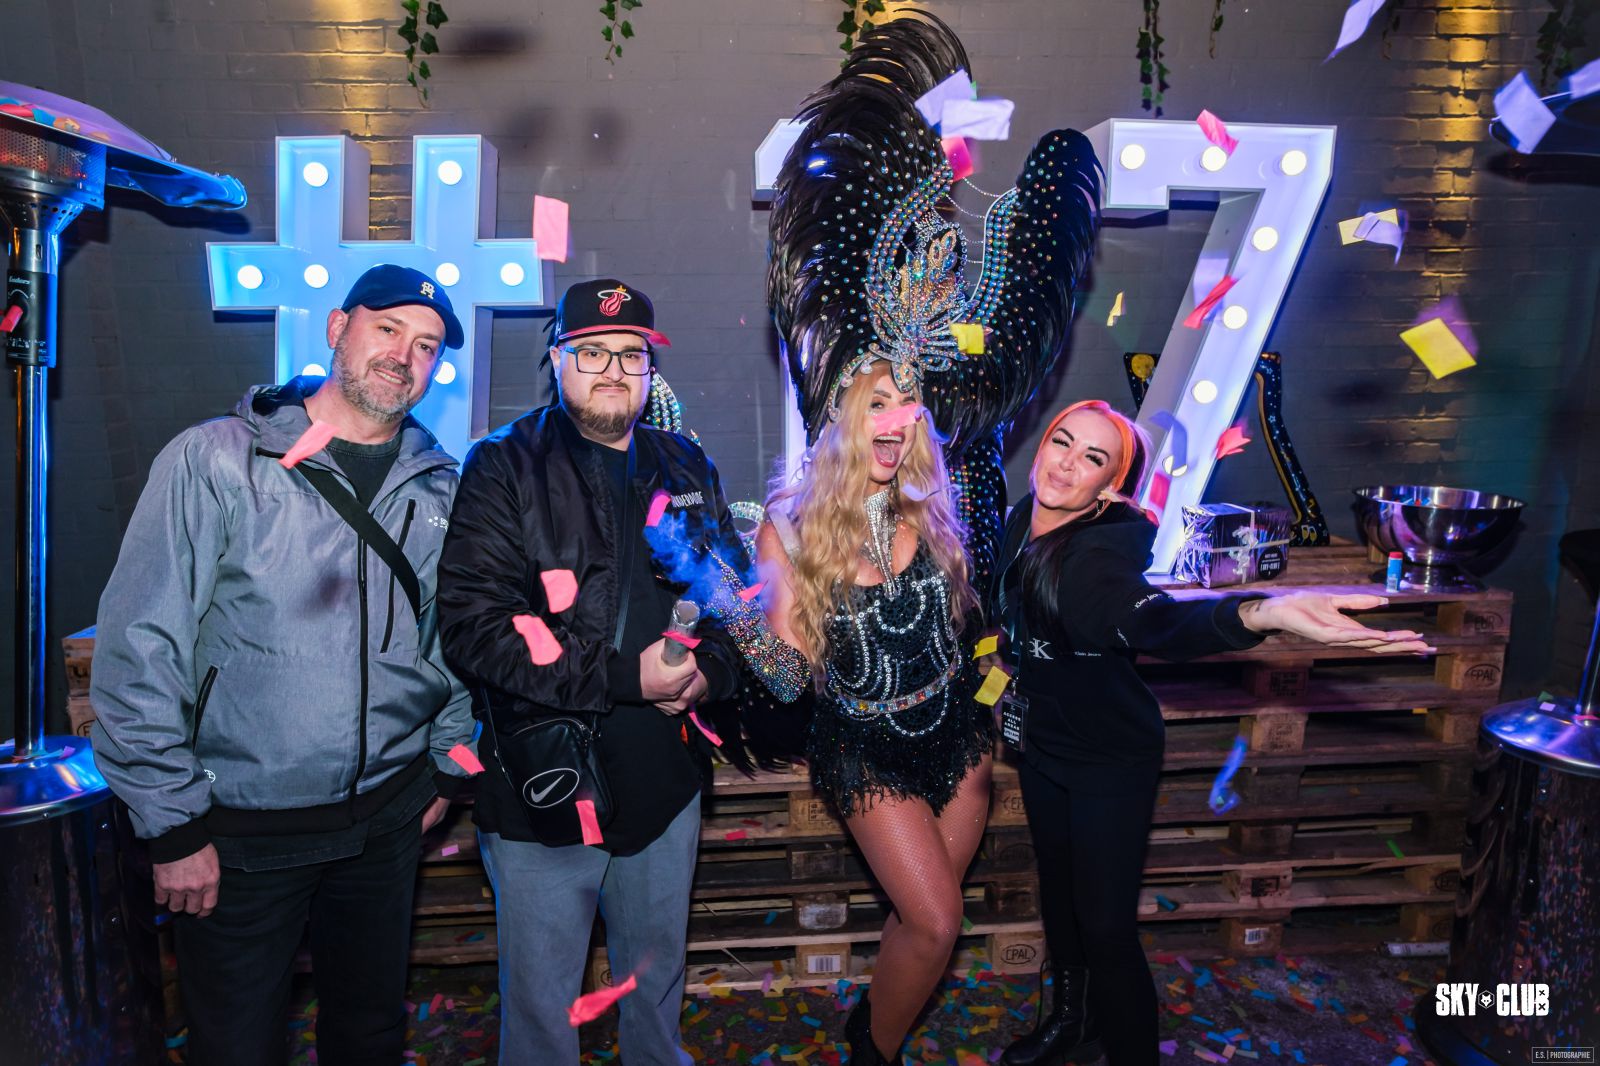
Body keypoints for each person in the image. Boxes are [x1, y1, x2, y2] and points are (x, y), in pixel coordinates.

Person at [89, 264, 477, 1065]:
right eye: (388, 329)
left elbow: (452, 643)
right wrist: (171, 826)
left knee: (369, 1033)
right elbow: (141, 645)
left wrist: (447, 768)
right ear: (337, 328)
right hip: (239, 835)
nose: (404, 355)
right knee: (237, 1045)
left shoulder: (440, 486)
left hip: (384, 823)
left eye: (427, 345)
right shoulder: (216, 461)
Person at [989, 401, 1435, 1066]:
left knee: (1105, 926)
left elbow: (1157, 623)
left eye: (1093, 458)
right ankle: (1074, 1021)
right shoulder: (1023, 519)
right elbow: (1010, 622)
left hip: (1108, 757)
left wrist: (1260, 614)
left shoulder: (1093, 559)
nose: (1066, 464)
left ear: (1110, 487)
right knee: (1060, 895)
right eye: (1063, 442)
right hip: (1043, 743)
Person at [435, 278, 749, 1066]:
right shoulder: (504, 465)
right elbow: (473, 626)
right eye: (592, 352)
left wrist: (710, 673)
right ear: (557, 360)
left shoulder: (684, 462)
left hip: (664, 786)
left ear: (650, 367)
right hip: (546, 788)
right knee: (543, 1018)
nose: (613, 369)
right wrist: (622, 678)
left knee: (655, 997)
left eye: (631, 354)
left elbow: (734, 601)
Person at [744, 361, 993, 1065]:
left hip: (959, 738)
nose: (895, 420)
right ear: (840, 417)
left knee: (919, 917)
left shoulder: (932, 504)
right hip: (864, 748)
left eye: (908, 404)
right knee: (937, 921)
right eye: (876, 402)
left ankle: (876, 1023)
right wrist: (740, 617)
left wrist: (995, 696)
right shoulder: (789, 527)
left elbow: (972, 636)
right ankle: (873, 1051)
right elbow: (786, 675)